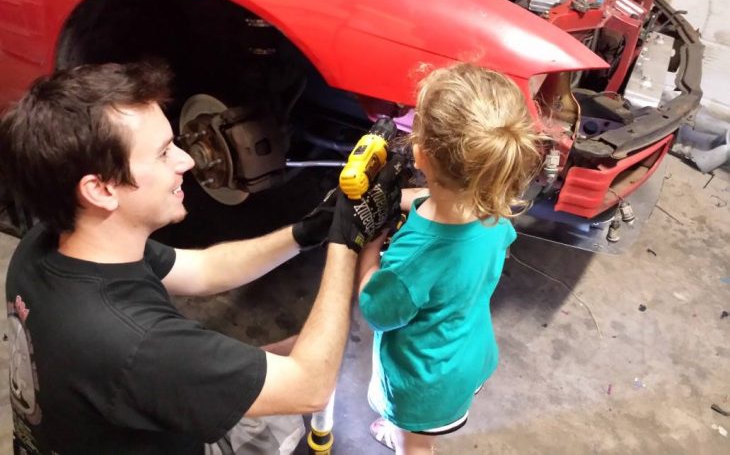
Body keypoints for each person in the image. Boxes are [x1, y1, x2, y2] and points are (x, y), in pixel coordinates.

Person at [0, 62, 402, 454]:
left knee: (295, 350)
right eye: (162, 154)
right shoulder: (135, 343)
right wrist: (345, 242)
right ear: (100, 189)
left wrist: (305, 233)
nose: (187, 161)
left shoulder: (50, 244)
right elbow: (310, 387)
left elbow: (205, 270)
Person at [357, 64, 542, 454]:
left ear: (420, 154)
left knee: (416, 446)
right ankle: (404, 431)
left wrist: (369, 245)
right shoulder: (494, 210)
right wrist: (394, 200)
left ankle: (404, 435)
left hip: (425, 383)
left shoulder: (416, 256)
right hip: (470, 352)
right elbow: (435, 208)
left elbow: (377, 310)